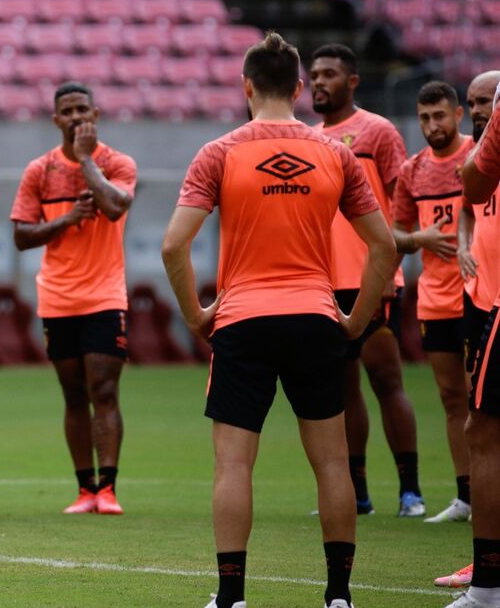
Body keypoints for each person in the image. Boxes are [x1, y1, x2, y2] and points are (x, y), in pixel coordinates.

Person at [161, 32, 395, 608]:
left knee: (233, 464)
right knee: (334, 463)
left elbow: (173, 246)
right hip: (315, 317)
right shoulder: (336, 152)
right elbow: (384, 247)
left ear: (245, 86)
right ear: (298, 87)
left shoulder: (218, 152)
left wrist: (196, 316)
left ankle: (231, 597)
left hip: (242, 320)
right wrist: (353, 320)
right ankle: (338, 596)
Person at [10, 81, 135, 515]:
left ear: (96, 115)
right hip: (58, 298)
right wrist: (65, 221)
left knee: (103, 389)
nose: (77, 117)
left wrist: (85, 161)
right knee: (72, 393)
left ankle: (109, 488)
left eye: (84, 109)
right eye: (68, 111)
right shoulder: (38, 171)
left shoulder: (117, 162)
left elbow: (117, 206)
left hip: (104, 294)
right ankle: (85, 489)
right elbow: (22, 236)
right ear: (56, 119)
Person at [310, 43, 422, 517]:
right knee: (341, 389)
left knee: (386, 379)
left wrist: (394, 262)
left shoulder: (377, 131)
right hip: (322, 281)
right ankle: (357, 494)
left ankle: (410, 491)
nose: (319, 82)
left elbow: (401, 201)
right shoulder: (308, 140)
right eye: (314, 74)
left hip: (371, 277)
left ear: (352, 80)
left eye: (329, 74)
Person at [391, 81, 473, 526]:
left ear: (458, 114)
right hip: (435, 301)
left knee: (483, 402)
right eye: (424, 117)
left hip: (478, 293)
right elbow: (394, 233)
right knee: (451, 398)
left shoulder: (479, 156)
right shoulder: (413, 170)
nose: (432, 125)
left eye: (439, 116)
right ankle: (466, 496)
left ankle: (487, 489)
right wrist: (418, 239)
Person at [435, 71, 500, 593]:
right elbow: (468, 205)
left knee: (485, 430)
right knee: (474, 421)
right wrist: (462, 241)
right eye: (474, 102)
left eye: (486, 102)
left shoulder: (488, 149)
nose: (479, 110)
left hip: (498, 305)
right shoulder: (474, 157)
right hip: (479, 299)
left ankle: (487, 576)